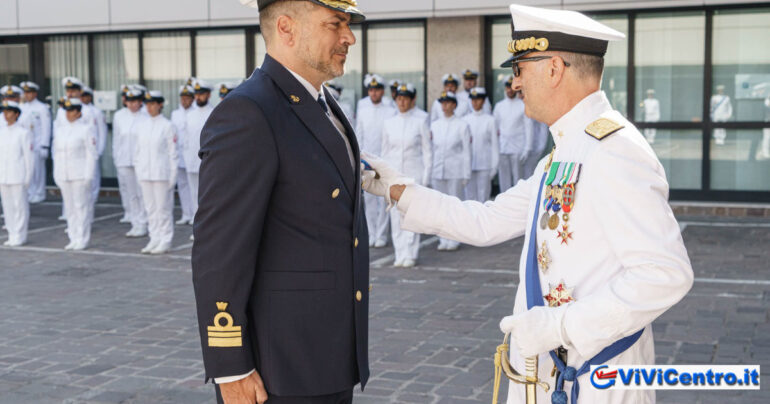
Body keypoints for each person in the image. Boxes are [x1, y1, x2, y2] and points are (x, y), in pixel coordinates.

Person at [362, 4, 693, 404]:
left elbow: (665, 273)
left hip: (595, 379)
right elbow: (486, 221)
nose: (514, 83)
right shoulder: (563, 153)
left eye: (519, 69)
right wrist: (397, 189)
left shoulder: (615, 150)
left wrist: (560, 326)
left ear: (553, 69)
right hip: (550, 372)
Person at [192, 1, 369, 403]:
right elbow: (218, 252)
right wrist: (230, 364)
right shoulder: (248, 112)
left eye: (347, 24)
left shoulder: (321, 103)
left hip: (327, 356)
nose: (349, 37)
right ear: (287, 29)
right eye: (335, 24)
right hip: (279, 373)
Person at [379, 83, 431, 267]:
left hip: (413, 174)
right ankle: (399, 252)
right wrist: (382, 177)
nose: (402, 102)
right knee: (394, 215)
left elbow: (427, 151)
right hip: (394, 175)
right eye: (399, 98)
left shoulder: (421, 120)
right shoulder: (388, 123)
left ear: (412, 100)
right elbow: (384, 152)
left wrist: (426, 176)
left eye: (406, 98)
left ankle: (411, 252)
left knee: (411, 214)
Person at [133, 91, 177, 254]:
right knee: (150, 208)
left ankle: (165, 238)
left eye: (153, 104)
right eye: (147, 104)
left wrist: (172, 175)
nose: (150, 107)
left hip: (161, 173)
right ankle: (154, 237)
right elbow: (137, 152)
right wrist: (138, 171)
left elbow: (173, 153)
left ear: (160, 105)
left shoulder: (167, 126)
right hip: (145, 173)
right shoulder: (142, 126)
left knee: (163, 208)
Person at [356, 75, 396, 248]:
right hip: (368, 161)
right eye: (371, 90)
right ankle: (372, 233)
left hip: (385, 160)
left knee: (383, 200)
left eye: (377, 90)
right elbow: (359, 136)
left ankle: (381, 234)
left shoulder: (390, 110)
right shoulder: (363, 111)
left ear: (382, 91)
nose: (374, 93)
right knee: (370, 201)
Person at [52, 99, 97, 251]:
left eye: (72, 110)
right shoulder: (60, 130)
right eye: (66, 111)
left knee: (81, 207)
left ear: (78, 112)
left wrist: (88, 175)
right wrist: (56, 173)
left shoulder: (86, 129)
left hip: (79, 173)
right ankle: (73, 236)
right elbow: (57, 153)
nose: (68, 114)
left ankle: (82, 238)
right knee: (70, 208)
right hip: (64, 173)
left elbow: (91, 154)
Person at [429, 90, 471, 251]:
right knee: (440, 205)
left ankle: (454, 238)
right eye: (442, 103)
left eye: (448, 103)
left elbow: (467, 151)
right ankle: (443, 238)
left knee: (454, 205)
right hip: (438, 170)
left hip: (455, 171)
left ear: (454, 105)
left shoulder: (461, 125)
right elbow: (432, 150)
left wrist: (466, 173)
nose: (445, 106)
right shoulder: (435, 125)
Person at [112, 87, 148, 237]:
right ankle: (135, 223)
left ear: (141, 102)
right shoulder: (119, 116)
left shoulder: (146, 116)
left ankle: (145, 222)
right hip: (124, 160)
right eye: (130, 101)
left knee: (142, 193)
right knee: (131, 194)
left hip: (141, 161)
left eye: (136, 101)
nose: (133, 104)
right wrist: (117, 159)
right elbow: (116, 140)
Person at [0, 101, 34, 246]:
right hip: (3, 175)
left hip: (18, 174)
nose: (6, 115)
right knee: (7, 207)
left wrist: (28, 177)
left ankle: (20, 234)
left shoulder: (23, 133)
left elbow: (29, 157)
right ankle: (12, 233)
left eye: (9, 112)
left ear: (17, 114)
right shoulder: (1, 132)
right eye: (4, 112)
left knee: (20, 206)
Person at [182, 79, 214, 232]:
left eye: (201, 94)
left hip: (207, 163)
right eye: (197, 94)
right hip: (191, 162)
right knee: (194, 195)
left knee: (207, 197)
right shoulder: (190, 115)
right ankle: (197, 229)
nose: (198, 97)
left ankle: (207, 229)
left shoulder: (214, 112)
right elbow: (185, 140)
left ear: (208, 95)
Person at [462, 87, 498, 202]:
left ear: (483, 101)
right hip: (469, 165)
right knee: (469, 197)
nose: (475, 102)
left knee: (484, 197)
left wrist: (494, 166)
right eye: (473, 100)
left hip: (485, 164)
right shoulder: (464, 120)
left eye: (478, 99)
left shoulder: (490, 120)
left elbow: (495, 145)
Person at [494, 75, 529, 192]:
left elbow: (528, 128)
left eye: (511, 87)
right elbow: (495, 130)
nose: (509, 90)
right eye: (507, 87)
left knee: (518, 179)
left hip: (517, 147)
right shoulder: (499, 106)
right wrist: (495, 149)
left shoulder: (522, 104)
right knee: (504, 179)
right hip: (503, 147)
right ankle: (503, 203)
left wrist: (527, 148)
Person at [19, 82, 52, 204]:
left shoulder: (42, 108)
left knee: (38, 170)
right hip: (25, 145)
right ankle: (31, 192)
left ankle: (39, 192)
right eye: (25, 93)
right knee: (28, 169)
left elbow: (46, 127)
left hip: (38, 144)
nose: (27, 95)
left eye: (29, 93)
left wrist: (45, 145)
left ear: (35, 93)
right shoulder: (22, 108)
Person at [171, 84, 196, 225]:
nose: (184, 101)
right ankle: (185, 213)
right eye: (182, 98)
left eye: (187, 98)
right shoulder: (175, 114)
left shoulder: (196, 112)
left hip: (192, 155)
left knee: (194, 187)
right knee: (182, 185)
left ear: (192, 99)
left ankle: (194, 214)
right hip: (179, 155)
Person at [81, 86, 108, 204]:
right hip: (80, 148)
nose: (84, 98)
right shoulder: (76, 110)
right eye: (82, 96)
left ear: (90, 97)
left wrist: (100, 149)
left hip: (93, 147)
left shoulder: (97, 112)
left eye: (86, 96)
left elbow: (102, 132)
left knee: (94, 174)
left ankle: (94, 196)